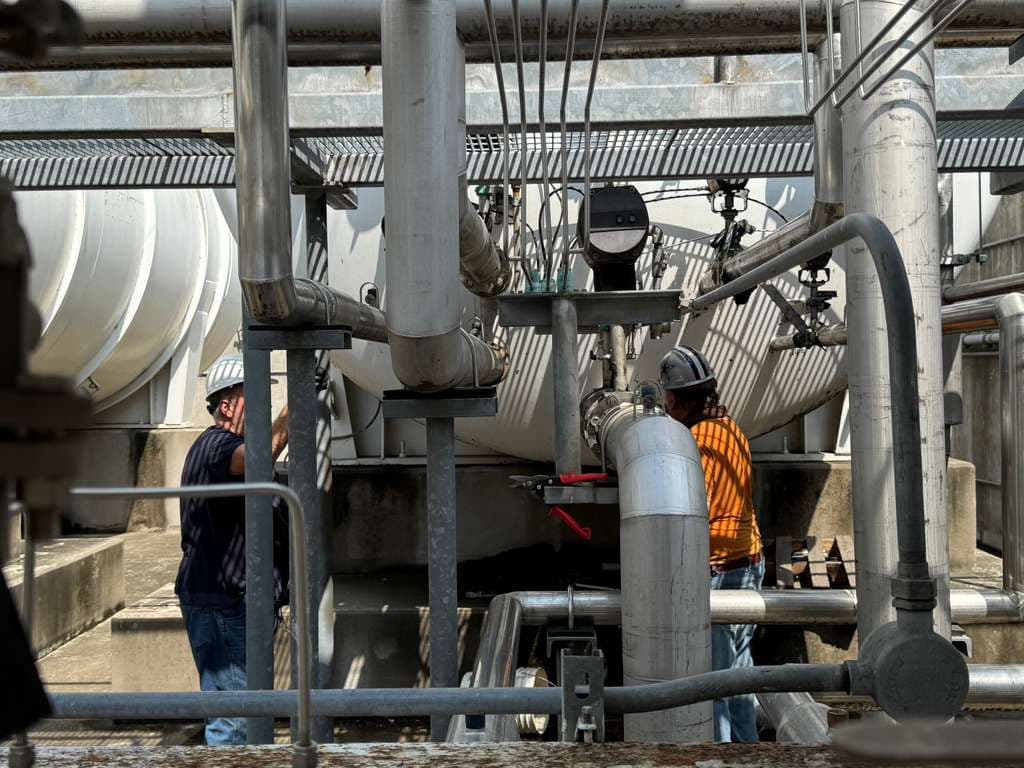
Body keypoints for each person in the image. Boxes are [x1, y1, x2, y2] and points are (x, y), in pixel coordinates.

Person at [174, 354, 290, 745]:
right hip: (223, 604)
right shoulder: (216, 446)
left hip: (230, 603)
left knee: (247, 715)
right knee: (235, 720)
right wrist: (295, 413)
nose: (263, 405)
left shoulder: (225, 446)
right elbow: (257, 459)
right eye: (252, 395)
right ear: (226, 406)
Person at [660, 345, 765, 743]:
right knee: (738, 674)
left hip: (720, 571)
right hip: (749, 562)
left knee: (712, 686)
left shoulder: (695, 442)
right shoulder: (731, 427)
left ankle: (720, 753)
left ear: (675, 398)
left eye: (669, 398)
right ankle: (749, 751)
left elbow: (687, 509)